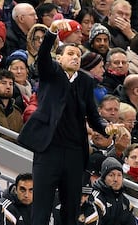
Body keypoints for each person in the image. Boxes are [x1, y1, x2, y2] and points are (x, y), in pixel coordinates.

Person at [17, 19, 118, 225]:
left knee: (71, 210)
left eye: (78, 55)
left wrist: (107, 128)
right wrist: (52, 33)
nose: (75, 58)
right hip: (48, 149)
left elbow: (92, 114)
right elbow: (43, 57)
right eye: (71, 54)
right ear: (59, 57)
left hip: (74, 151)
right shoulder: (51, 73)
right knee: (41, 208)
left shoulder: (85, 81)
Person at [92, 157, 137, 225]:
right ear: (104, 178)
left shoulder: (126, 202)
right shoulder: (96, 200)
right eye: (111, 175)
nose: (116, 179)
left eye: (119, 175)